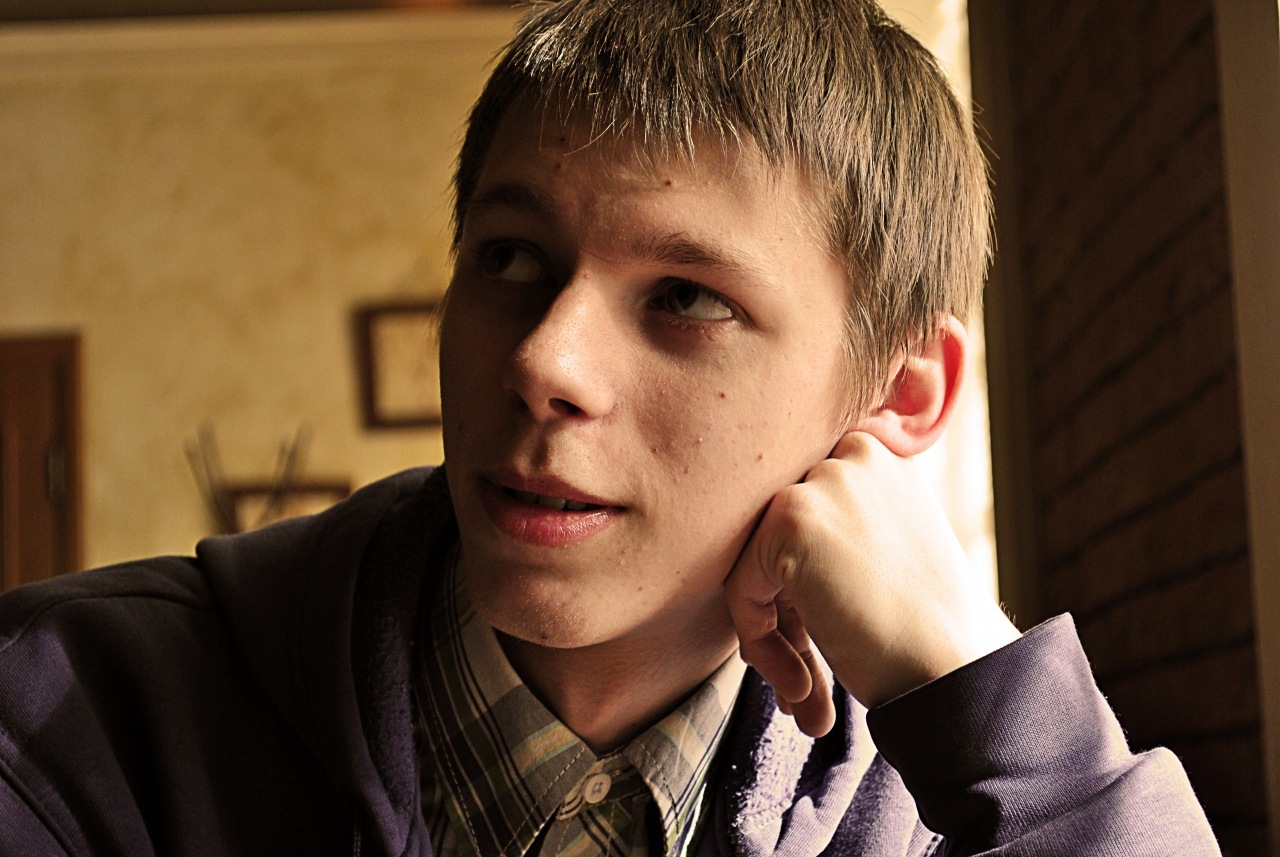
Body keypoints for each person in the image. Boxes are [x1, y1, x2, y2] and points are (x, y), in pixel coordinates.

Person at [0, 0, 1221, 854]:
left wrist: (990, 706)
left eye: (685, 297)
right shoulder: (72, 714)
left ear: (899, 397)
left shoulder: (946, 811)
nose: (542, 361)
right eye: (508, 257)